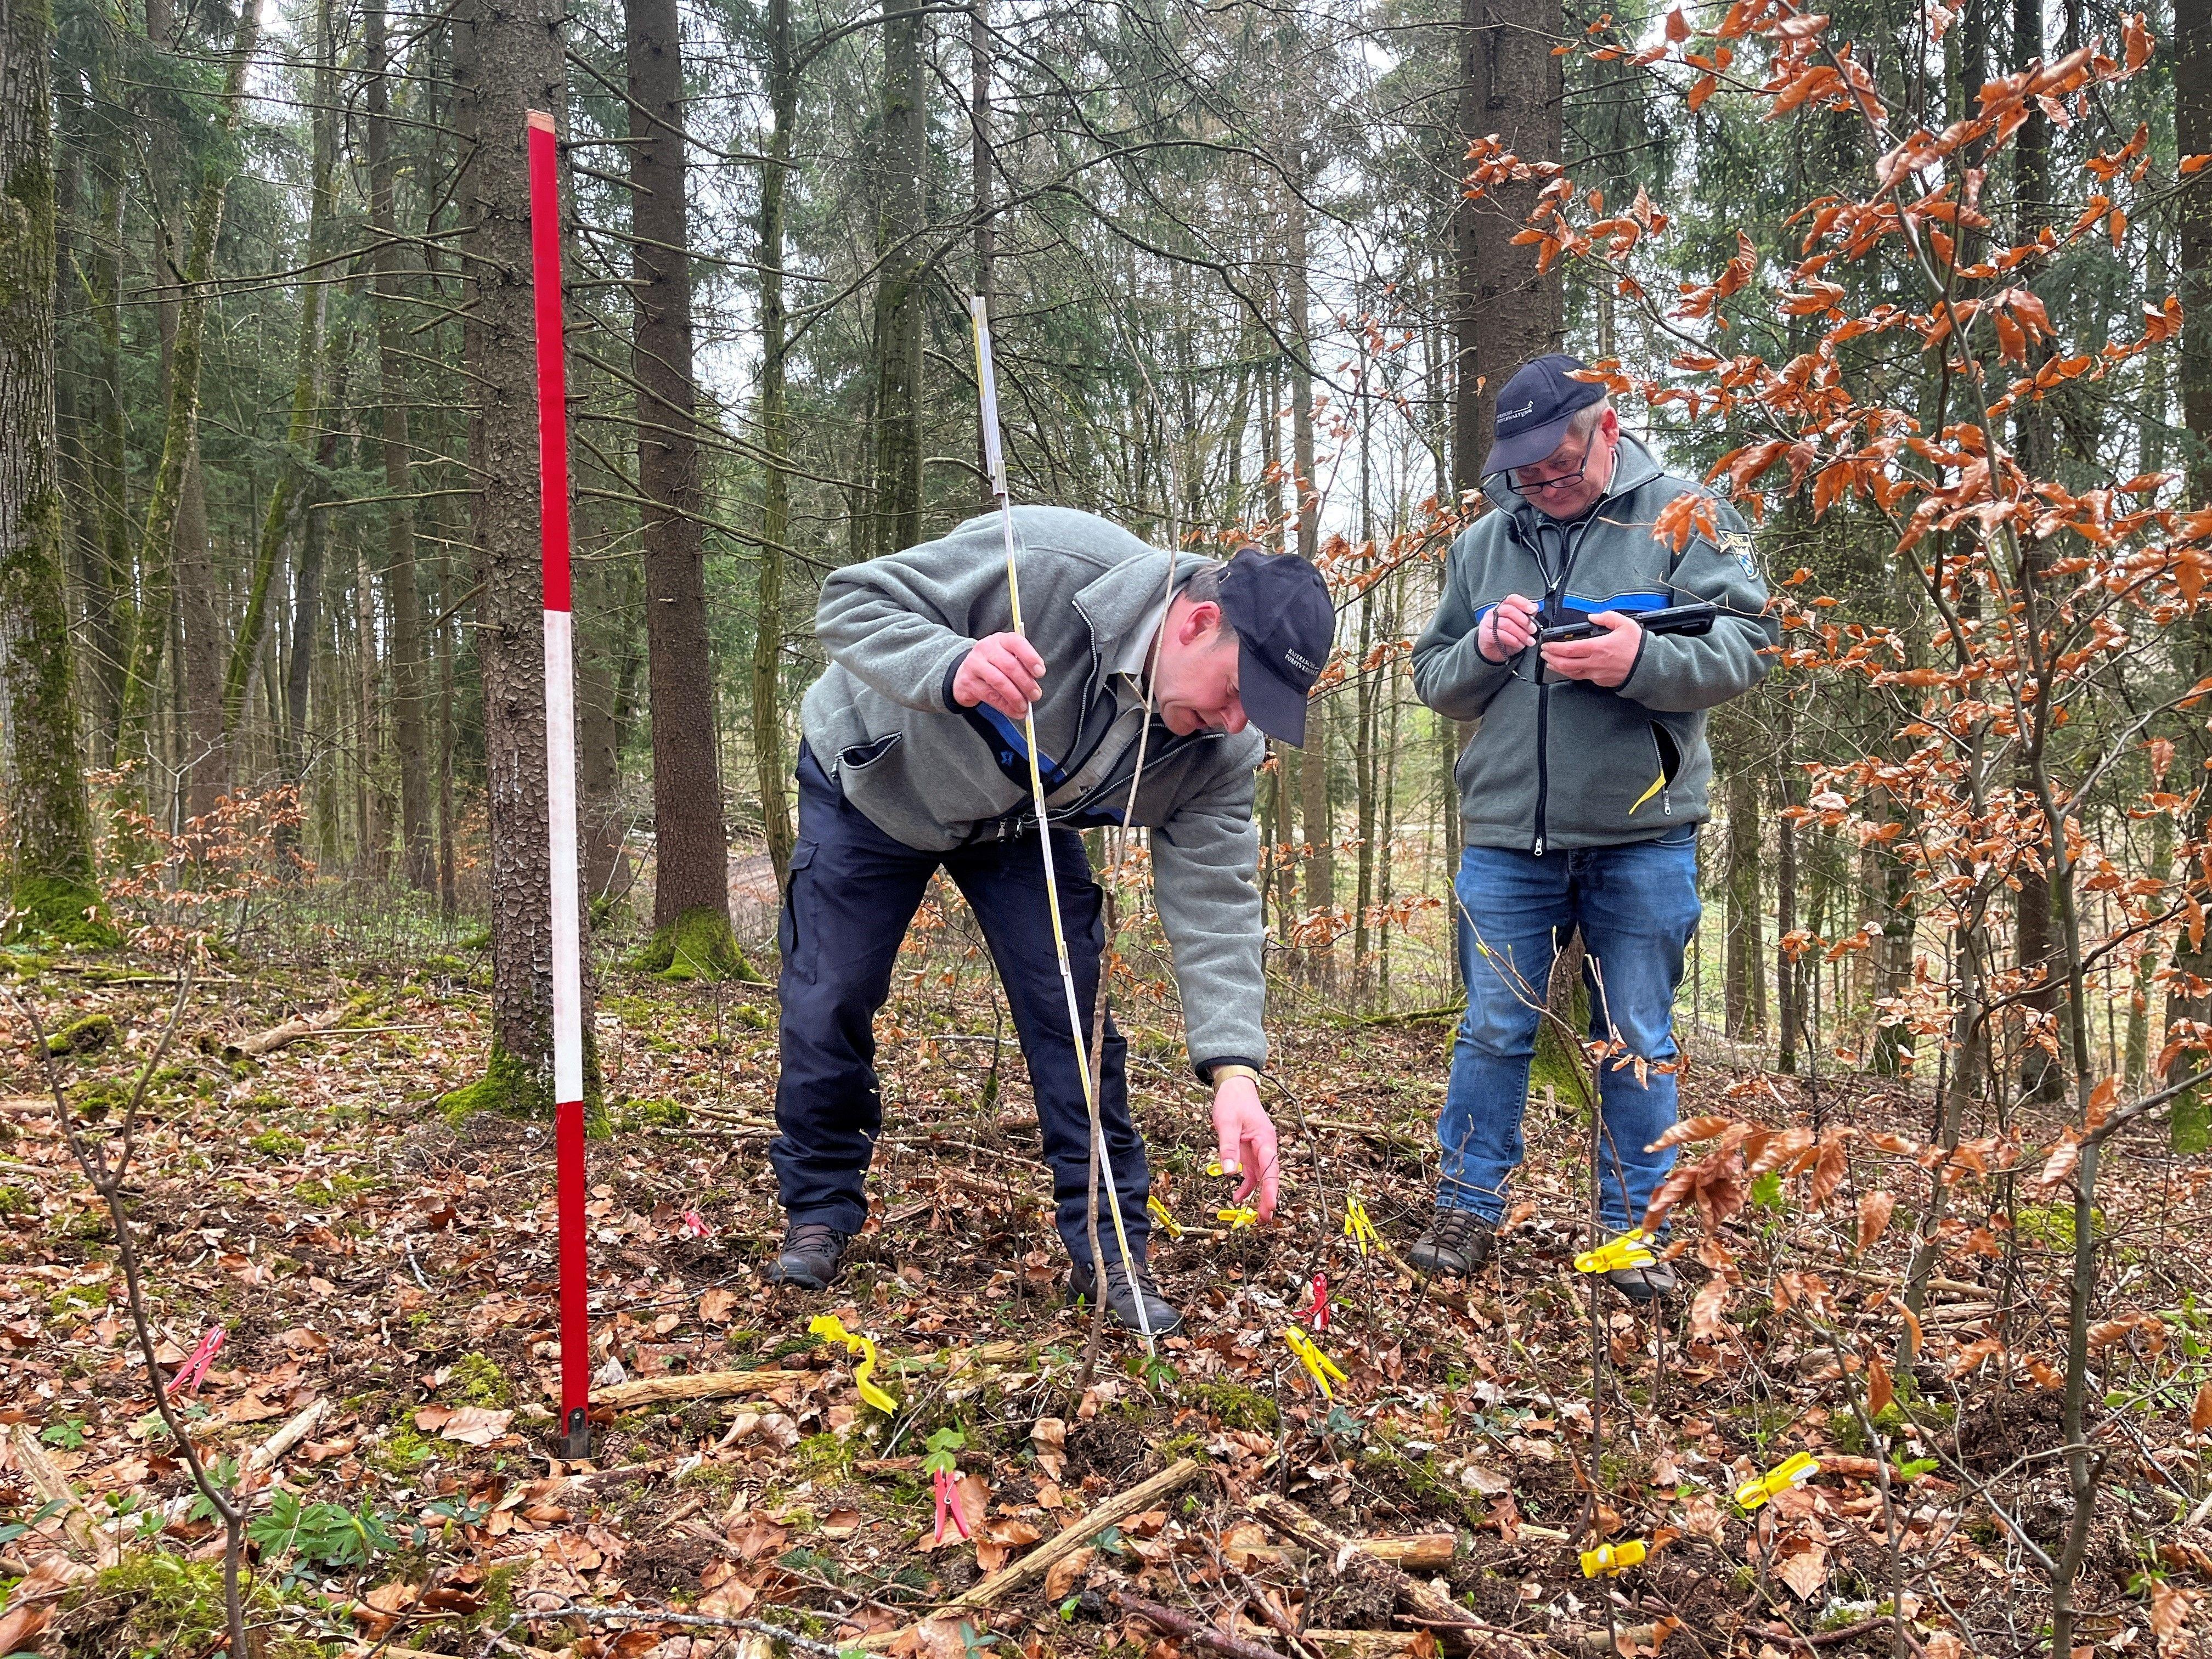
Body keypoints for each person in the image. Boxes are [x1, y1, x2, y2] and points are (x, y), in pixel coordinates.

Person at [768, 506, 1335, 1335]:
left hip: (1021, 823)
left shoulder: (1222, 751)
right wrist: (949, 663)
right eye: (1240, 692)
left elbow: (1217, 898)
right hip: (875, 781)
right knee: (830, 998)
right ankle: (819, 1210)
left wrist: (1236, 1074)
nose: (1238, 723)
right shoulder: (1051, 565)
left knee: (1073, 1017)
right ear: (1198, 623)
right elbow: (850, 601)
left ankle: (1110, 1251)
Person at [1409, 353, 1778, 1301]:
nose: (1543, 486)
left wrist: (1640, 660)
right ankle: (1465, 1207)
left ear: (1607, 430)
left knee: (1638, 1037)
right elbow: (1435, 678)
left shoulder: (1688, 516)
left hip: (1642, 835)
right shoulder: (1484, 543)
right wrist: (1484, 648)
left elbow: (1749, 644)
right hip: (1505, 836)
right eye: (1525, 474)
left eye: (1560, 467)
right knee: (1492, 1029)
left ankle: (1631, 1235)